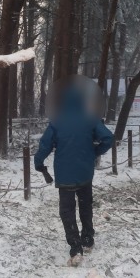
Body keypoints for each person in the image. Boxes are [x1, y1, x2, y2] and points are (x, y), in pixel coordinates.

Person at [34, 85, 114, 265]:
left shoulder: (57, 121)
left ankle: (75, 246)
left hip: (65, 175)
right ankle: (87, 239)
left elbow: (45, 146)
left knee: (67, 211)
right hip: (85, 172)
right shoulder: (90, 119)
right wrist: (95, 152)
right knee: (86, 205)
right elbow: (108, 138)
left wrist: (38, 162)